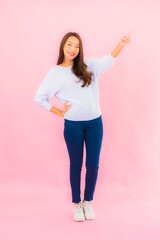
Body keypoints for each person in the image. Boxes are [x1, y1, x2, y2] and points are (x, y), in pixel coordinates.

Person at [34, 31, 130, 222]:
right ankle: (77, 204)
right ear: (63, 46)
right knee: (76, 165)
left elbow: (110, 58)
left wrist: (121, 43)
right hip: (73, 127)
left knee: (93, 165)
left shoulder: (89, 66)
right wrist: (59, 111)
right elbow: (39, 97)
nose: (73, 49)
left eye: (77, 46)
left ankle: (88, 202)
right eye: (70, 44)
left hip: (95, 124)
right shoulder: (55, 73)